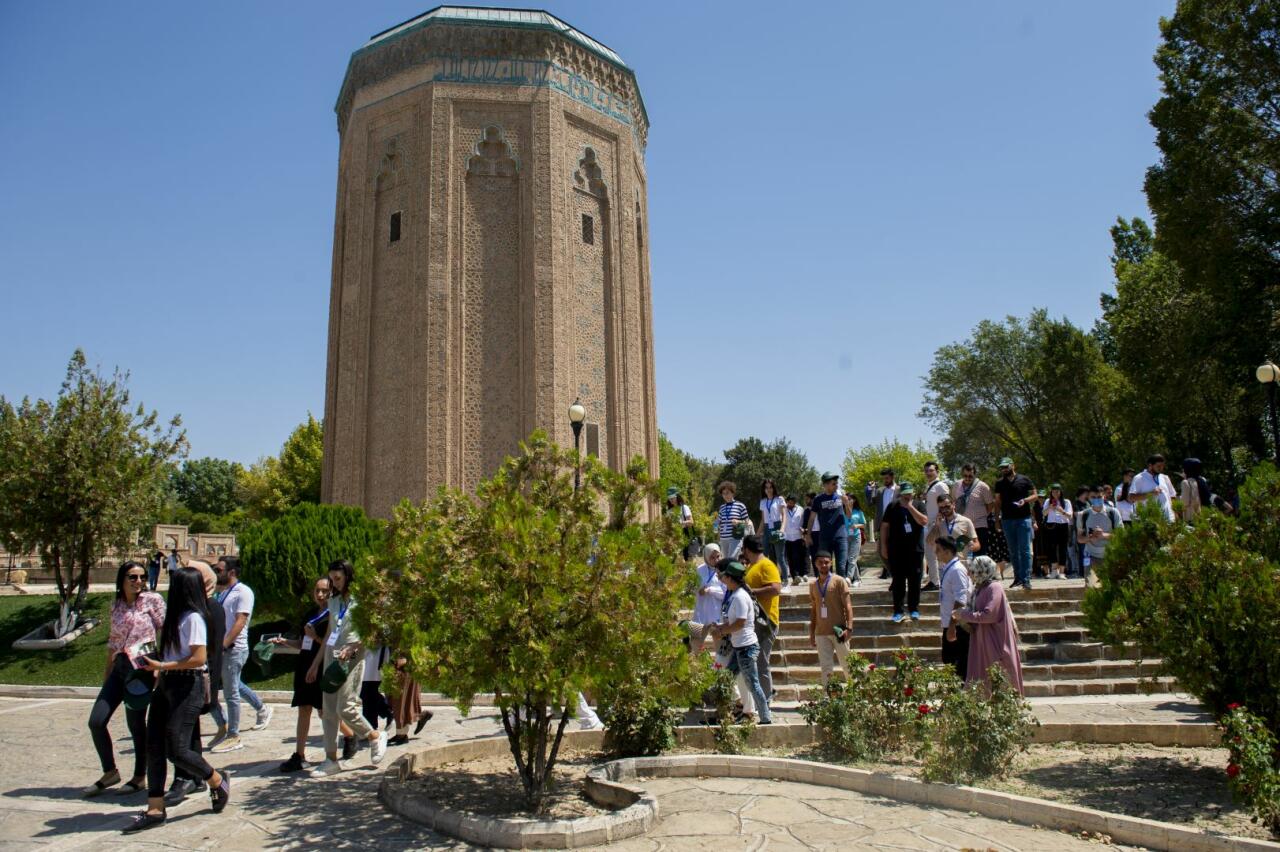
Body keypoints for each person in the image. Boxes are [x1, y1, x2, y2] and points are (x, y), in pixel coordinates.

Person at [126, 567, 230, 833]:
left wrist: (164, 664)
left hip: (187, 683)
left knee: (177, 749)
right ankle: (155, 807)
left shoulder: (195, 618)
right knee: (154, 745)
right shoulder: (175, 618)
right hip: (167, 683)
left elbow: (198, 658)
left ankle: (217, 780)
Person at [85, 561, 165, 797]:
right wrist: (107, 672)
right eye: (132, 577)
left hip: (141, 669)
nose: (138, 581)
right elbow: (113, 641)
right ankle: (110, 771)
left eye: (141, 577)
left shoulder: (153, 600)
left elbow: (167, 631)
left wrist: (161, 666)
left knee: (136, 725)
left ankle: (140, 776)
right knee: (97, 721)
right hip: (120, 668)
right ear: (122, 579)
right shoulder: (116, 605)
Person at [308, 559, 388, 777]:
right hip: (331, 657)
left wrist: (354, 646)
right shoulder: (334, 601)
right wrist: (316, 664)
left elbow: (372, 630)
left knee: (346, 707)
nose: (334, 583)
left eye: (338, 579)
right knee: (329, 710)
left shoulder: (361, 599)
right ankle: (330, 759)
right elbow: (329, 634)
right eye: (332, 579)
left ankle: (374, 736)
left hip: (352, 657)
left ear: (348, 576)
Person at [163, 561, 225, 805]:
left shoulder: (208, 610)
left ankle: (198, 776)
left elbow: (210, 653)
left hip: (194, 679)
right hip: (180, 679)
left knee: (180, 741)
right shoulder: (188, 613)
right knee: (185, 735)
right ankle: (194, 775)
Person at [209, 557, 271, 753]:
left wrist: (223, 645)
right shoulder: (222, 592)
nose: (216, 573)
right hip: (221, 647)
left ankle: (233, 734)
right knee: (233, 684)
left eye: (219, 570)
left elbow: (240, 621)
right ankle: (262, 708)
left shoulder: (243, 592)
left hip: (234, 648)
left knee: (230, 692)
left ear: (232, 572)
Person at [271, 576, 331, 772]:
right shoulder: (310, 614)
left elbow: (331, 646)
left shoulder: (333, 616)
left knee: (326, 711)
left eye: (325, 591)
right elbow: (302, 642)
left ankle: (347, 739)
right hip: (305, 665)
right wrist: (285, 642)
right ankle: (300, 754)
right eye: (317, 591)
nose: (320, 595)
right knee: (304, 708)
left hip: (322, 666)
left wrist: (315, 637)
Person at [710, 561, 771, 725]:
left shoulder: (740, 597)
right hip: (739, 647)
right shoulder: (735, 594)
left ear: (731, 578)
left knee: (752, 683)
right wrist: (720, 627)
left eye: (725, 578)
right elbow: (733, 621)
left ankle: (765, 717)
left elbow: (740, 623)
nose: (723, 580)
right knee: (728, 676)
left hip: (746, 647)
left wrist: (722, 631)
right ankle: (735, 711)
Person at [956, 556, 1024, 695]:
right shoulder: (979, 588)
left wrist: (963, 615)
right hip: (981, 640)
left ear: (982, 571)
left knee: (1000, 678)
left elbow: (989, 615)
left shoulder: (994, 587)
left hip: (995, 641)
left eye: (973, 570)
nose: (970, 574)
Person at [740, 535, 782, 708]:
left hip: (766, 621)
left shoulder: (767, 565)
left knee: (761, 662)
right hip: (754, 621)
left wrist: (752, 592)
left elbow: (775, 589)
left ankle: (766, 699)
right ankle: (759, 699)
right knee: (755, 661)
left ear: (747, 549)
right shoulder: (752, 566)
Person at [879, 482, 928, 622]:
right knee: (898, 581)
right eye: (905, 493)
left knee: (915, 581)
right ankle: (898, 611)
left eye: (909, 493)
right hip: (896, 550)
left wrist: (910, 507)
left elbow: (924, 521)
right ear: (900, 493)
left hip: (915, 550)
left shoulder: (919, 505)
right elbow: (884, 526)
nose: (907, 495)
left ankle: (914, 609)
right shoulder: (892, 506)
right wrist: (883, 546)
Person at [807, 550, 852, 686]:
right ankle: (828, 696)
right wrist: (811, 633)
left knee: (847, 665)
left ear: (831, 563)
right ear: (815, 564)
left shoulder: (839, 581)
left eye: (826, 562)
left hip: (839, 630)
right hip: (821, 632)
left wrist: (849, 628)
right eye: (820, 562)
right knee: (826, 667)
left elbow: (848, 606)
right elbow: (814, 611)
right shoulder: (813, 585)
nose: (824, 565)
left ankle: (855, 693)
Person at [993, 458, 1038, 590]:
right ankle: (1017, 578)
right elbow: (997, 502)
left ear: (1013, 465)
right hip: (1007, 520)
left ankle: (1026, 578)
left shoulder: (1024, 479)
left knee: (1025, 550)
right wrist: (996, 521)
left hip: (1024, 519)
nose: (1004, 469)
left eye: (1006, 467)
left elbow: (1035, 495)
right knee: (1013, 551)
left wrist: (1025, 500)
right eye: (1002, 468)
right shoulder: (999, 483)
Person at [935, 536, 972, 681]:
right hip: (949, 622)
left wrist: (952, 625)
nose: (935, 553)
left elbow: (960, 599)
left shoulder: (957, 570)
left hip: (957, 625)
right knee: (949, 661)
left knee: (958, 663)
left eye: (938, 550)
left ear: (947, 551)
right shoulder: (949, 568)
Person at [805, 472, 852, 580]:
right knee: (825, 567)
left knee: (841, 566)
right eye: (833, 484)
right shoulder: (818, 499)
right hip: (825, 538)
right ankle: (827, 593)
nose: (836, 486)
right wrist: (808, 535)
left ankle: (841, 592)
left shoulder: (841, 497)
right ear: (825, 485)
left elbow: (849, 516)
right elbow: (812, 518)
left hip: (841, 536)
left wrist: (846, 503)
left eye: (837, 483)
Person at [1075, 486, 1122, 587]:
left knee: (1110, 588)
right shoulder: (1083, 515)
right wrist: (1090, 537)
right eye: (1093, 497)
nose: (1096, 499)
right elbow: (1079, 539)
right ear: (1089, 498)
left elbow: (1121, 535)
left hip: (1110, 555)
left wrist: (1103, 535)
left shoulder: (1113, 513)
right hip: (1091, 556)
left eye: (1099, 497)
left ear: (1104, 496)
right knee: (1091, 588)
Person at [687, 543, 726, 657]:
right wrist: (698, 590)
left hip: (716, 615)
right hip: (700, 613)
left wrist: (710, 590)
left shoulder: (723, 571)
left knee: (721, 649)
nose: (716, 560)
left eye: (718, 556)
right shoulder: (699, 570)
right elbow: (691, 587)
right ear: (706, 557)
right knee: (694, 646)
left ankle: (721, 670)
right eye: (712, 557)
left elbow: (725, 593)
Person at [918, 461, 949, 592]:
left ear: (937, 471)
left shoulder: (941, 485)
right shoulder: (929, 486)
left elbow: (946, 503)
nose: (928, 473)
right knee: (931, 554)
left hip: (937, 524)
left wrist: (939, 520)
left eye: (931, 470)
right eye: (926, 471)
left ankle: (937, 581)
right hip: (929, 524)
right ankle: (934, 580)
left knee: (936, 553)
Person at [388, 654, 432, 746]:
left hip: (407, 665)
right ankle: (402, 732)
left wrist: (406, 659)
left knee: (401, 700)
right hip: (401, 663)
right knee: (398, 700)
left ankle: (402, 734)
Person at [953, 464, 995, 557]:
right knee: (961, 554)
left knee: (979, 556)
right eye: (965, 476)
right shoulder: (956, 485)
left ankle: (979, 572)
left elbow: (990, 504)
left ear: (975, 474)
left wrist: (981, 515)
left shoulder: (983, 487)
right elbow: (953, 501)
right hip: (962, 527)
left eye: (970, 476)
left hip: (979, 526)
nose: (967, 478)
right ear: (962, 474)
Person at [1128, 454, 1177, 522]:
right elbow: (1131, 497)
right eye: (1158, 466)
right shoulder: (1139, 478)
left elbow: (1173, 497)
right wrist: (1150, 494)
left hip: (1169, 519)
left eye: (1163, 466)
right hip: (1150, 521)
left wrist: (1176, 514)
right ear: (1150, 466)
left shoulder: (1165, 477)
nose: (1161, 468)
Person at [758, 479, 788, 583]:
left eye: (770, 487)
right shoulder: (763, 501)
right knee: (764, 555)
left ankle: (785, 580)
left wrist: (782, 529)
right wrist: (757, 534)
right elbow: (763, 520)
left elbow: (784, 516)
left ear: (773, 488)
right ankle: (768, 579)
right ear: (764, 489)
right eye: (766, 488)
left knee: (780, 557)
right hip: (767, 528)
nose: (768, 490)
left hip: (777, 526)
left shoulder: (779, 499)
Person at [1041, 485, 1073, 580]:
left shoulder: (1066, 502)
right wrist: (1050, 507)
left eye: (1057, 491)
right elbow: (1043, 513)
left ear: (1061, 492)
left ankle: (1062, 572)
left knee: (1063, 548)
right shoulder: (1047, 501)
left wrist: (1061, 510)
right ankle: (1054, 570)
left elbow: (1070, 516)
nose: (1055, 493)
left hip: (1063, 525)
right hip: (1051, 526)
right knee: (1052, 547)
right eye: (1053, 491)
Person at [872, 468, 899, 579]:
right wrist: (871, 489)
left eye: (887, 478)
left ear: (892, 477)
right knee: (881, 552)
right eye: (883, 478)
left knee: (896, 552)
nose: (885, 480)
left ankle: (898, 577)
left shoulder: (900, 489)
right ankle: (894, 575)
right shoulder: (880, 491)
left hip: (897, 526)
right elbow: (871, 502)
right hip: (883, 526)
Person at [715, 482, 749, 559]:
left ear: (732, 493)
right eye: (723, 494)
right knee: (726, 561)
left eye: (727, 493)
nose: (725, 495)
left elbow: (748, 522)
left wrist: (739, 522)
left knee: (731, 559)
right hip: (723, 539)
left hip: (735, 537)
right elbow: (718, 521)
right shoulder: (722, 507)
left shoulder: (740, 505)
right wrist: (715, 526)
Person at [782, 495, 809, 583]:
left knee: (800, 556)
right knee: (790, 557)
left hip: (798, 536)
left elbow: (804, 521)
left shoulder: (800, 509)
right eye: (789, 502)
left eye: (793, 502)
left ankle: (803, 574)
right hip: (787, 537)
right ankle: (795, 576)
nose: (791, 504)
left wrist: (804, 531)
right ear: (787, 502)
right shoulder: (783, 509)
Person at [666, 488, 695, 558]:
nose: (671, 500)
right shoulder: (669, 511)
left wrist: (681, 523)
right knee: (676, 558)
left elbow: (691, 522)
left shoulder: (684, 507)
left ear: (677, 497)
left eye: (673, 498)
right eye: (670, 498)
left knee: (686, 558)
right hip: (674, 536)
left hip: (685, 535)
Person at [845, 496, 867, 586]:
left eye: (851, 499)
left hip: (856, 537)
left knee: (851, 558)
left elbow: (864, 525)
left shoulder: (859, 512)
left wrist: (857, 526)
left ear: (854, 500)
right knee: (851, 559)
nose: (849, 500)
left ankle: (849, 578)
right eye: (847, 499)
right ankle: (858, 579)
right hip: (846, 537)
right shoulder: (843, 511)